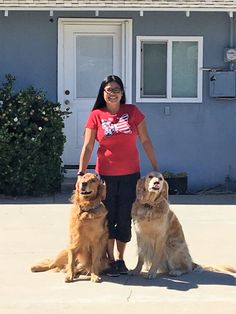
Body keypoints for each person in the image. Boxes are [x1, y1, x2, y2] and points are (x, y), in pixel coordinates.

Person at [76, 75, 159, 276]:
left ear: (122, 93)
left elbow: (146, 140)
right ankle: (110, 260)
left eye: (116, 90)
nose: (112, 94)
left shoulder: (132, 112)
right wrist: (81, 173)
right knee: (107, 217)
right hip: (105, 176)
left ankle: (121, 260)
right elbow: (88, 146)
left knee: (124, 218)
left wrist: (156, 167)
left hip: (131, 175)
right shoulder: (96, 115)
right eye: (108, 90)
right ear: (103, 94)